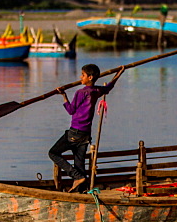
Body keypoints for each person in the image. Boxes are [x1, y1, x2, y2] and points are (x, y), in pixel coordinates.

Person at [50, 63, 125, 192]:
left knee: (53, 153)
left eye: (83, 75)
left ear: (90, 77)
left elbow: (71, 110)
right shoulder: (96, 91)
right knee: (79, 163)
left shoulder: (81, 92)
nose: (81, 77)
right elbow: (109, 88)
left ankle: (76, 176)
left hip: (75, 132)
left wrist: (63, 96)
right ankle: (81, 189)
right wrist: (119, 73)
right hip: (85, 134)